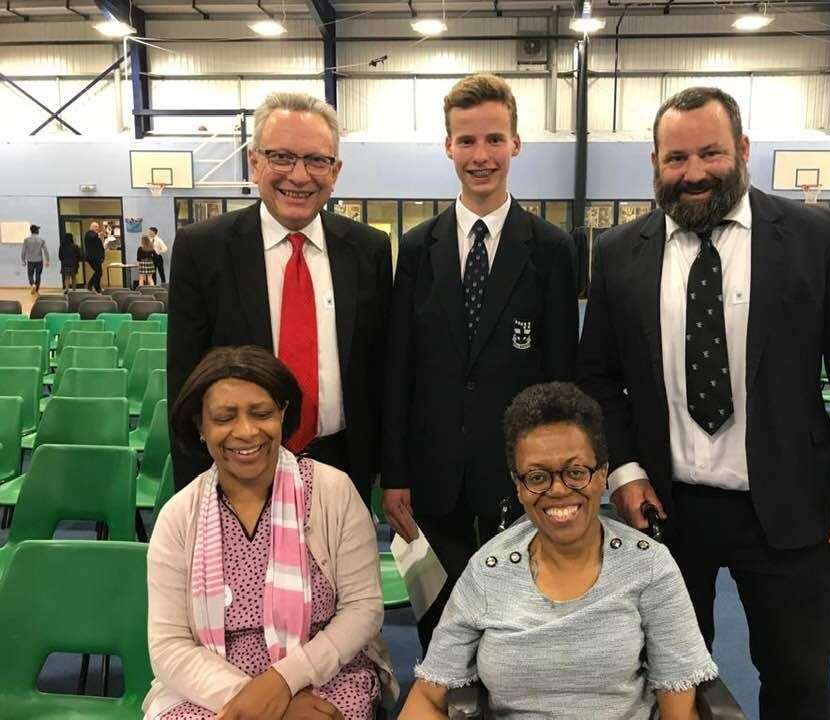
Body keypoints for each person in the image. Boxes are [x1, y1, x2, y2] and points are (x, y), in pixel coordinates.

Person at [576, 87, 830, 720]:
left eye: (710, 153)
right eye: (676, 158)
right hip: (666, 511)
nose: (693, 173)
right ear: (655, 164)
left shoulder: (814, 236)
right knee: (670, 682)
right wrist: (626, 471)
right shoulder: (619, 252)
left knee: (798, 680)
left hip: (786, 511)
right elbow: (598, 378)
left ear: (744, 151)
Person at [380, 74, 579, 652]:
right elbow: (399, 370)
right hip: (430, 470)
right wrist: (394, 473)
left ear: (516, 143)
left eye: (494, 139)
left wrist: (556, 471)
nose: (481, 156)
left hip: (520, 473)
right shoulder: (418, 248)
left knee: (516, 616)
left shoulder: (551, 250)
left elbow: (560, 376)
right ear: (448, 147)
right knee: (436, 618)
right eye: (466, 141)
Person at [399, 382, 717, 719]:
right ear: (518, 486)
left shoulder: (649, 565)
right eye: (537, 477)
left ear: (603, 475)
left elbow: (679, 706)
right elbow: (428, 696)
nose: (559, 490)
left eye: (576, 472)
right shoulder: (487, 570)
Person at [144, 344, 396, 720]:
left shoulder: (332, 492)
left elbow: (363, 609)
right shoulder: (179, 517)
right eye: (224, 417)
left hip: (324, 671)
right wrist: (257, 700)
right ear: (201, 426)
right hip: (211, 684)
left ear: (283, 414)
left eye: (261, 413)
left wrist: (283, 681)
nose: (245, 432)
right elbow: (169, 645)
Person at [168, 91, 393, 502]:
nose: (300, 175)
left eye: (316, 160)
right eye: (282, 157)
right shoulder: (202, 249)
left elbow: (381, 370)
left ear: (336, 170)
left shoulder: (369, 251)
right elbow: (185, 382)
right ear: (255, 162)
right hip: (239, 466)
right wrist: (195, 491)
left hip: (342, 467)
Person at [21, 224, 49, 294]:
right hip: (39, 260)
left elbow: (23, 251)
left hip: (30, 260)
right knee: (38, 275)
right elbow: (46, 251)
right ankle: (36, 289)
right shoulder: (41, 240)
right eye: (38, 229)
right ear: (36, 230)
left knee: (30, 274)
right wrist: (47, 260)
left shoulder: (26, 240)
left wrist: (23, 260)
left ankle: (33, 284)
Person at [83, 220, 104, 291]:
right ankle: (96, 287)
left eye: (97, 227)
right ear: (91, 227)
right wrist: (98, 234)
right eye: (96, 227)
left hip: (97, 257)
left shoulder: (95, 235)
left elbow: (100, 247)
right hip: (92, 257)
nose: (97, 228)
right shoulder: (88, 234)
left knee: (98, 272)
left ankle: (91, 285)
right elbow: (93, 237)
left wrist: (102, 256)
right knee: (99, 272)